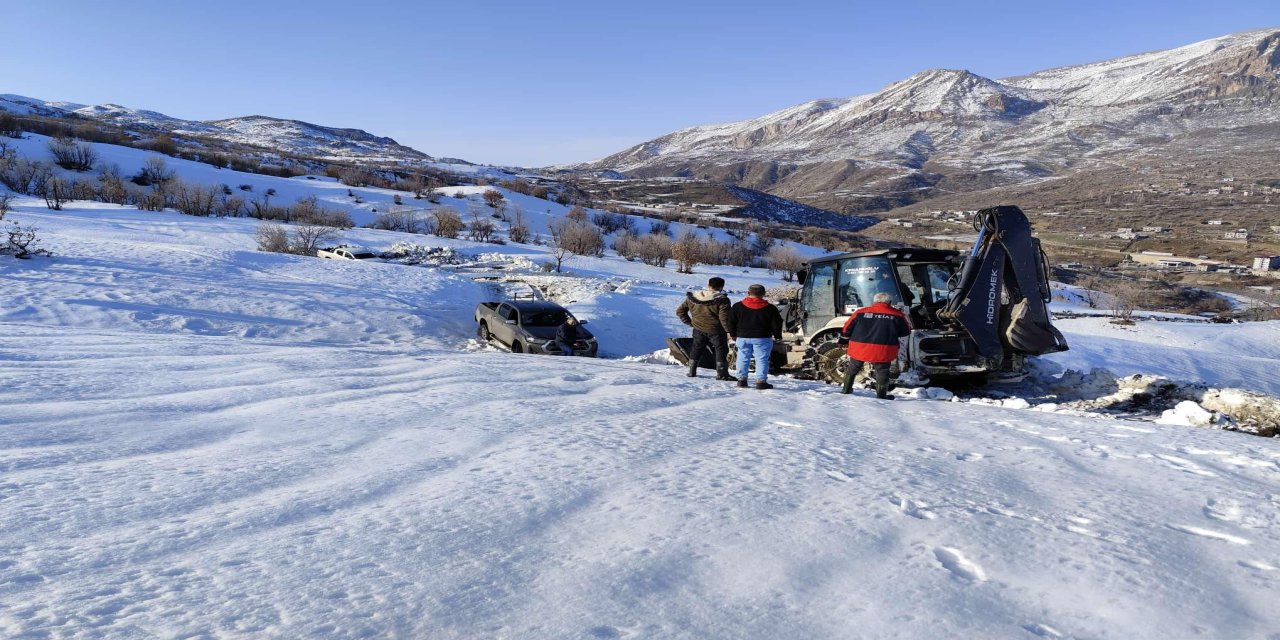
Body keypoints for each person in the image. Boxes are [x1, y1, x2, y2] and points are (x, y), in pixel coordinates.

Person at [838, 292, 912, 399]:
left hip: (860, 347)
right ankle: (881, 395)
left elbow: (847, 328)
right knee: (882, 371)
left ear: (875, 301)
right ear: (889, 302)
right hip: (883, 349)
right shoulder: (897, 315)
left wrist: (843, 341)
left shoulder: (860, 312)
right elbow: (906, 331)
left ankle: (846, 389)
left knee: (853, 367)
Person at [676, 277, 734, 380]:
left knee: (696, 348)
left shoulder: (693, 297)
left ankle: (691, 371)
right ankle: (722, 374)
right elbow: (724, 319)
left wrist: (691, 323)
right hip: (716, 330)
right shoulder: (722, 300)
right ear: (721, 287)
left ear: (708, 285)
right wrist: (729, 331)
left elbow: (680, 312)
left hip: (698, 329)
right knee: (721, 350)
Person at [728, 284, 783, 390]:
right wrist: (777, 336)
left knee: (742, 358)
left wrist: (733, 334)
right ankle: (761, 382)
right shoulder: (770, 308)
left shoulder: (737, 306)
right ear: (764, 294)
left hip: (743, 337)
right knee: (762, 359)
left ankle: (741, 380)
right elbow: (777, 324)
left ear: (748, 293)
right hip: (762, 338)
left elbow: (731, 322)